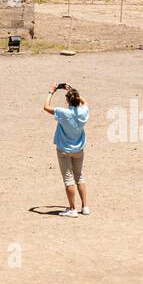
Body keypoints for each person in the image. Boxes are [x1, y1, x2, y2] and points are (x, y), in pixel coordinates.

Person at [44, 83, 89, 216]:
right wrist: (73, 91)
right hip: (79, 150)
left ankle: (72, 209)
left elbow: (46, 107)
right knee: (79, 176)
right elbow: (85, 102)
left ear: (67, 100)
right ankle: (85, 207)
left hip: (64, 150)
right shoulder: (83, 112)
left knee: (68, 179)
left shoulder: (63, 113)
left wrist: (51, 92)